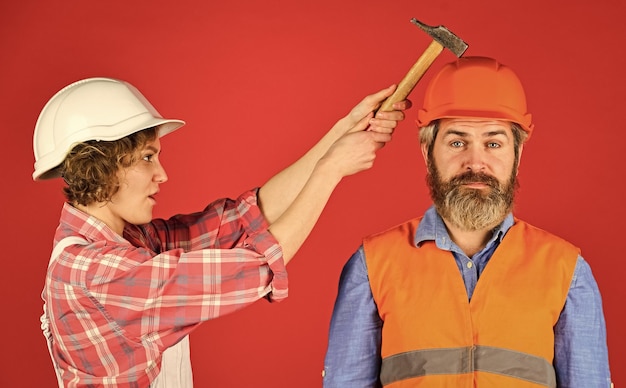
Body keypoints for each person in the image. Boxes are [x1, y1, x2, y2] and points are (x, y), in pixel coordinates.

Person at [32, 77, 411, 387]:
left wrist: (342, 131)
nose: (162, 174)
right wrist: (331, 170)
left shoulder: (130, 241)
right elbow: (255, 266)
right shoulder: (95, 273)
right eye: (148, 157)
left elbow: (244, 218)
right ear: (103, 165)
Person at [322, 57, 612, 387]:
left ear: (517, 155)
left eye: (493, 143)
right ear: (427, 150)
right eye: (457, 142)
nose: (476, 162)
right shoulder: (372, 265)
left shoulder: (567, 270)